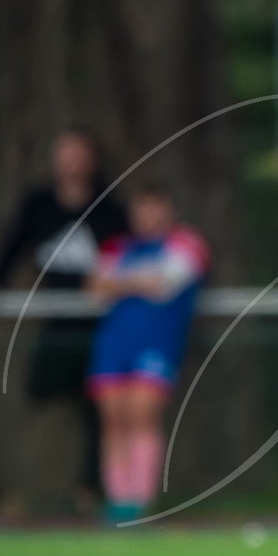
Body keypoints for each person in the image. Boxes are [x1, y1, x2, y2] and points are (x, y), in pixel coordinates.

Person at [0, 129, 129, 511]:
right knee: (40, 395)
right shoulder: (38, 204)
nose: (72, 163)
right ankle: (27, 489)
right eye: (66, 154)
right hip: (57, 323)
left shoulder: (110, 207)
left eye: (80, 154)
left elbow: (127, 256)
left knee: (102, 407)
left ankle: (93, 490)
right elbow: (13, 245)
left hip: (101, 324)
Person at [87, 183, 207, 523]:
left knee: (141, 414)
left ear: (168, 210)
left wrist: (120, 283)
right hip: (114, 343)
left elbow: (163, 285)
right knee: (113, 419)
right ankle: (118, 500)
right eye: (141, 209)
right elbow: (95, 287)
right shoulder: (118, 246)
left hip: (157, 344)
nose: (147, 216)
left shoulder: (186, 244)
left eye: (155, 208)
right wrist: (136, 282)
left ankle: (141, 499)